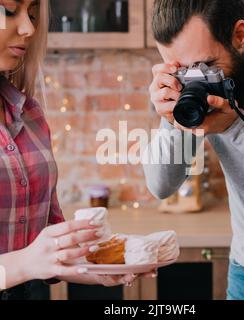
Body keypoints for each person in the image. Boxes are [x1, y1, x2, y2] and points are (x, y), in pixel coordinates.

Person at [144, 0, 244, 300]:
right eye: (181, 70)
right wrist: (172, 116)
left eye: (204, 67)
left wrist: (234, 129)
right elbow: (161, 185)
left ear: (239, 34)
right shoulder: (195, 77)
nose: (195, 79)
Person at [0, 0, 140, 300]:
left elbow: (47, 240)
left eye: (33, 13)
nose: (29, 28)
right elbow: (29, 260)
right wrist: (23, 264)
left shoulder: (31, 115)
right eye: (9, 10)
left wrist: (93, 264)